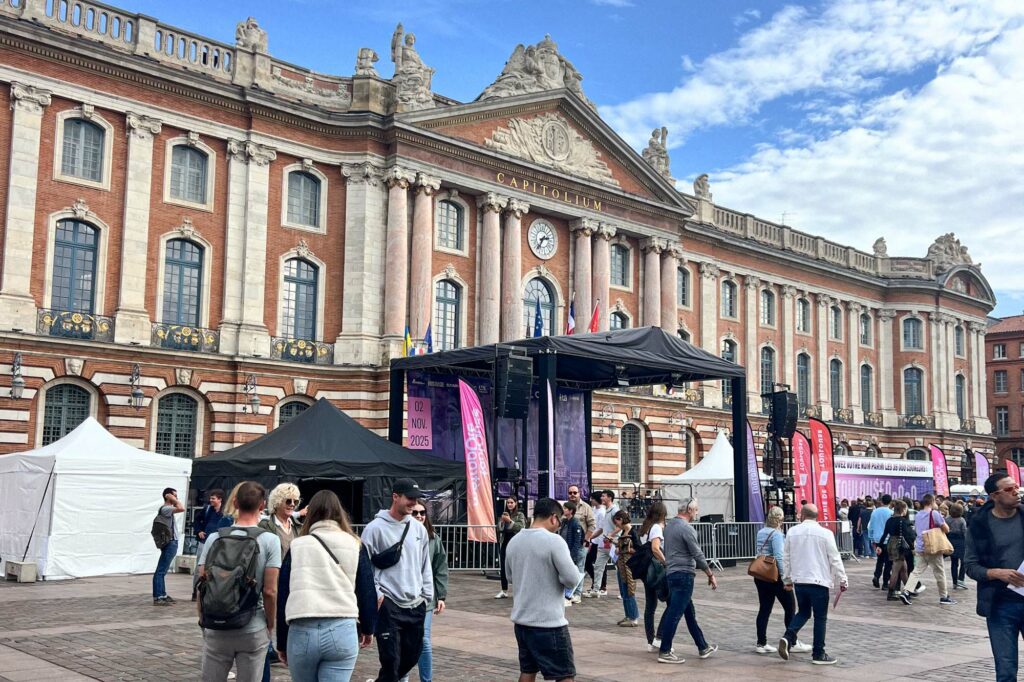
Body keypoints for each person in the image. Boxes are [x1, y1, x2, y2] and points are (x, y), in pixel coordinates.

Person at [275, 490, 377, 682]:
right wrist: (368, 627)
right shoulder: (355, 544)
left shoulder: (297, 546)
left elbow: (284, 595)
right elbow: (366, 589)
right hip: (342, 627)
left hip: (302, 627)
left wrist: (281, 641)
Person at [198, 481, 282, 682]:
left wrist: (203, 620)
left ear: (234, 502)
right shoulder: (270, 540)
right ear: (262, 506)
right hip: (252, 624)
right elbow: (270, 591)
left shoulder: (214, 538)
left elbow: (202, 584)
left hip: (216, 625)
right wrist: (270, 623)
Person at [361, 478, 433, 682]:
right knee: (391, 660)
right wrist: (376, 593)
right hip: (389, 603)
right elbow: (364, 566)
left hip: (415, 603)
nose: (413, 503)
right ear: (395, 496)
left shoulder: (418, 529)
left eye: (415, 499)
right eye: (409, 498)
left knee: (411, 656)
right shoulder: (374, 528)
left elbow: (425, 563)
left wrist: (427, 595)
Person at [505, 497, 579, 682]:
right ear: (553, 518)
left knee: (528, 670)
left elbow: (509, 577)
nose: (559, 525)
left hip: (522, 621)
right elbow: (572, 579)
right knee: (564, 675)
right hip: (549, 623)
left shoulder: (514, 541)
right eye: (559, 521)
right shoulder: (554, 541)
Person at [966, 473, 1024, 682]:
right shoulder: (979, 525)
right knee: (1006, 669)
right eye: (1009, 489)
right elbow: (971, 567)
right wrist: (996, 573)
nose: (1016, 492)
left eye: (1016, 487)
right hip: (1000, 605)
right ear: (994, 496)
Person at [777, 504, 847, 666]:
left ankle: (788, 637)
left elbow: (786, 558)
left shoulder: (792, 532)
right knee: (820, 617)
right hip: (819, 580)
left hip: (800, 580)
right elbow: (835, 558)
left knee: (803, 612)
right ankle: (818, 653)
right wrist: (843, 579)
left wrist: (787, 579)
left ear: (802, 515)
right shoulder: (826, 533)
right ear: (817, 516)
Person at [657, 498, 717, 665]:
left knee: (689, 612)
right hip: (683, 574)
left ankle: (702, 646)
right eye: (696, 509)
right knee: (674, 613)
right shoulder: (686, 528)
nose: (697, 512)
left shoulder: (669, 527)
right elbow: (697, 553)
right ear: (689, 510)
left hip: (672, 573)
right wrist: (710, 573)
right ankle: (665, 650)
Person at [399, 501, 448, 682]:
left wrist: (441, 595)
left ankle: (426, 680)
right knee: (403, 641)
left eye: (422, 513)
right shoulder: (401, 534)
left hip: (426, 597)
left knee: (424, 641)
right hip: (402, 596)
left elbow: (440, 567)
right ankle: (402, 677)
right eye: (415, 513)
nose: (419, 516)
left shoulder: (433, 538)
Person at [753, 507, 798, 654]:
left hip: (761, 575)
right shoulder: (777, 534)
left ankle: (761, 643)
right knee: (790, 607)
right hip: (775, 575)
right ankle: (792, 640)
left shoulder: (761, 532)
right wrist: (786, 578)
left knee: (764, 608)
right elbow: (779, 556)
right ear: (780, 519)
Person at [905, 494, 956, 605]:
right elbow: (946, 529)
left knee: (916, 571)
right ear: (932, 502)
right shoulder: (934, 513)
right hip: (932, 547)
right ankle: (944, 596)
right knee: (939, 572)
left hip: (920, 546)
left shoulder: (918, 515)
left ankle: (906, 591)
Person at [638, 501, 669, 653]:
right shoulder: (656, 527)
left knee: (650, 606)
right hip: (655, 569)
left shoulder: (645, 527)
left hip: (646, 570)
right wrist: (665, 562)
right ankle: (659, 637)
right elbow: (655, 548)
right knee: (670, 602)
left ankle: (650, 641)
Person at [877, 499, 916, 604]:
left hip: (891, 543)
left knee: (903, 569)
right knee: (896, 570)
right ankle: (891, 592)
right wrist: (912, 548)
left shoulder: (890, 520)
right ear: (903, 509)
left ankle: (908, 591)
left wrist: (879, 545)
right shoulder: (903, 521)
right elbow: (908, 536)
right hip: (899, 545)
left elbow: (885, 534)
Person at [153, 487, 185, 605]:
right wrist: (172, 499)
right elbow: (181, 508)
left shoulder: (167, 509)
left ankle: (162, 594)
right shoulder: (166, 508)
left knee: (163, 570)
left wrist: (173, 498)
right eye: (174, 495)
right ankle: (159, 597)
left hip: (171, 542)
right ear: (168, 496)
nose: (176, 498)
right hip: (170, 542)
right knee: (161, 571)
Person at [193, 489, 225, 602]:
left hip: (219, 544)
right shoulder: (207, 510)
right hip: (204, 541)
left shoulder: (225, 512)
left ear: (220, 499)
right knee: (200, 566)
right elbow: (196, 521)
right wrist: (199, 531)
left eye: (213, 498)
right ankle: (195, 591)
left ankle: (212, 591)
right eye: (210, 498)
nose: (211, 500)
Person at [610, 509, 640, 627]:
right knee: (624, 591)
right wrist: (617, 545)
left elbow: (638, 549)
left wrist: (625, 550)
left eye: (616, 522)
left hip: (629, 566)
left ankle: (633, 617)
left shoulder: (633, 532)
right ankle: (629, 615)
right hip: (621, 564)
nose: (616, 525)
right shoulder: (624, 531)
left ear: (621, 520)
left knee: (629, 590)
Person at [586, 490, 618, 599]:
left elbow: (622, 526)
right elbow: (601, 528)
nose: (602, 498)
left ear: (609, 498)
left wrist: (611, 535)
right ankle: (596, 590)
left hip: (614, 545)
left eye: (603, 496)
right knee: (598, 567)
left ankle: (625, 592)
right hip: (603, 545)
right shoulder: (606, 510)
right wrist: (590, 538)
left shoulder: (615, 511)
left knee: (621, 568)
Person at [566, 486, 595, 602]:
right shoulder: (565, 507)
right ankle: (568, 592)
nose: (572, 495)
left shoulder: (586, 507)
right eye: (570, 493)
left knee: (579, 568)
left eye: (575, 492)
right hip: (568, 543)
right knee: (568, 568)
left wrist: (586, 540)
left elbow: (592, 525)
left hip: (581, 544)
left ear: (579, 493)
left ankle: (577, 594)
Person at [495, 497, 526, 599]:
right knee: (504, 566)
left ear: (516, 503)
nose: (509, 504)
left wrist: (510, 521)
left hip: (516, 543)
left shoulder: (519, 515)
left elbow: (521, 527)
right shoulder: (504, 514)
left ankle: (519, 591)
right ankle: (504, 590)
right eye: (508, 503)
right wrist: (503, 522)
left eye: (511, 502)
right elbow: (499, 528)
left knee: (517, 567)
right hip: (505, 542)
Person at [259, 483, 301, 557]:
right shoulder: (264, 525)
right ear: (277, 502)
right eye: (288, 501)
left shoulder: (299, 526)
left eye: (295, 501)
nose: (292, 504)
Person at [557, 500, 585, 605]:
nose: (563, 510)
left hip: (574, 552)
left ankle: (577, 594)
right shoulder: (564, 521)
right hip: (567, 550)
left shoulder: (575, 523)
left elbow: (577, 541)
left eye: (565, 508)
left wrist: (573, 555)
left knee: (578, 572)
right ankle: (569, 594)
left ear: (571, 511)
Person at [583, 492, 608, 596]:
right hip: (593, 540)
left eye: (592, 498)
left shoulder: (602, 512)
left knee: (599, 564)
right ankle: (597, 583)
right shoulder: (593, 510)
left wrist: (591, 537)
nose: (591, 500)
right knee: (591, 563)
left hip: (599, 541)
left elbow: (601, 528)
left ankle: (601, 585)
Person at [868, 494, 894, 588]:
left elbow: (870, 526)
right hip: (888, 539)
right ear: (890, 502)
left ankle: (876, 575)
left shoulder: (874, 512)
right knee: (888, 562)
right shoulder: (891, 512)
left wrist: (871, 538)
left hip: (877, 538)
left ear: (881, 501)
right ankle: (885, 582)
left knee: (880, 560)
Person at [946, 502, 969, 590]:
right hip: (960, 542)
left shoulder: (947, 519)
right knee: (963, 562)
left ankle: (954, 582)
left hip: (951, 541)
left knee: (954, 563)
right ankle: (961, 579)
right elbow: (964, 532)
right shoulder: (961, 520)